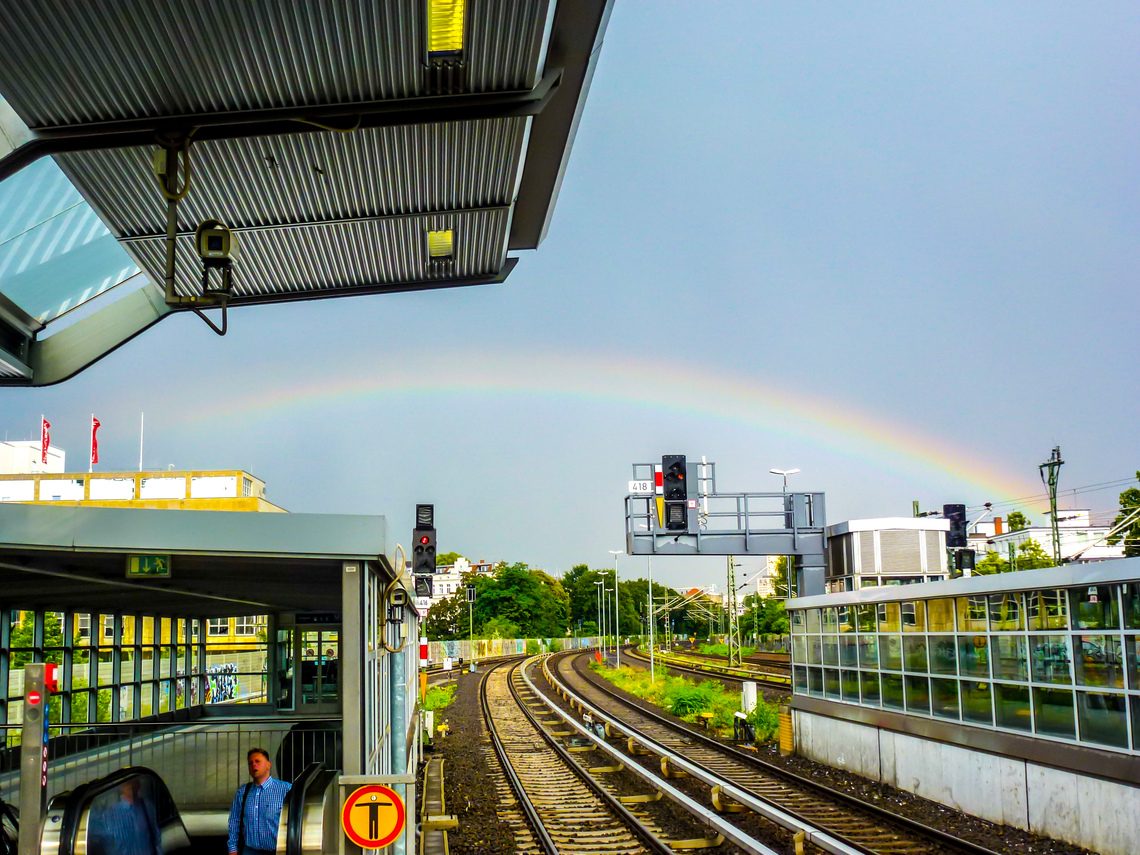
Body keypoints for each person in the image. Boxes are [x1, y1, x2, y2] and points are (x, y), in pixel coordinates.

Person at [227, 748, 292, 855]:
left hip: (277, 851)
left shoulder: (285, 789)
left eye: (258, 762)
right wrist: (233, 849)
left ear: (268, 765)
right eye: (250, 763)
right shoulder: (243, 792)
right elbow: (235, 821)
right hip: (250, 850)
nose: (254, 765)